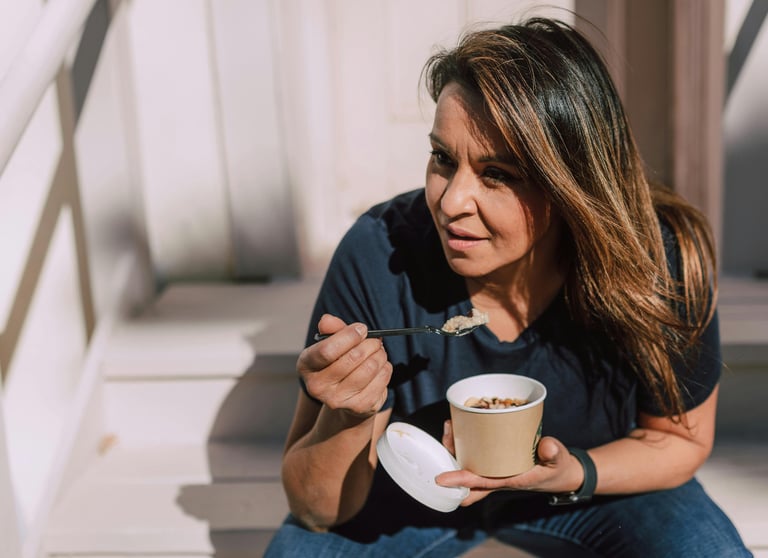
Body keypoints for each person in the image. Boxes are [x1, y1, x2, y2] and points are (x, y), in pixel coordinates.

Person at [264, 17, 751, 558]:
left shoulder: (659, 258)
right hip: (411, 498)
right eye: (443, 159)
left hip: (597, 491)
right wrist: (348, 416)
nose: (451, 203)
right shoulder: (380, 253)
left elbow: (680, 440)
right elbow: (314, 509)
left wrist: (575, 472)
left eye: (498, 173)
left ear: (574, 185)